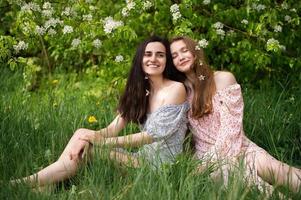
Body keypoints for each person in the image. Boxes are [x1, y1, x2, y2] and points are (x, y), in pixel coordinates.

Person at [12, 36, 189, 188]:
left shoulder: (176, 89)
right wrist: (88, 137)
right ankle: (43, 184)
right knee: (82, 133)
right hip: (140, 158)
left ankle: (23, 184)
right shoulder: (140, 91)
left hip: (160, 166)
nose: (153, 59)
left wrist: (102, 142)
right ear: (140, 59)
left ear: (167, 61)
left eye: (160, 55)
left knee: (90, 150)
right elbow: (112, 129)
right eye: (148, 54)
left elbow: (151, 136)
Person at [170, 36, 301, 194]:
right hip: (208, 159)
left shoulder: (222, 79)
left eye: (185, 50)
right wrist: (204, 164)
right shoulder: (180, 93)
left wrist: (211, 160)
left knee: (273, 168)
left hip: (238, 146)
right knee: (247, 180)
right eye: (174, 55)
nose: (181, 57)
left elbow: (231, 130)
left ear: (196, 52)